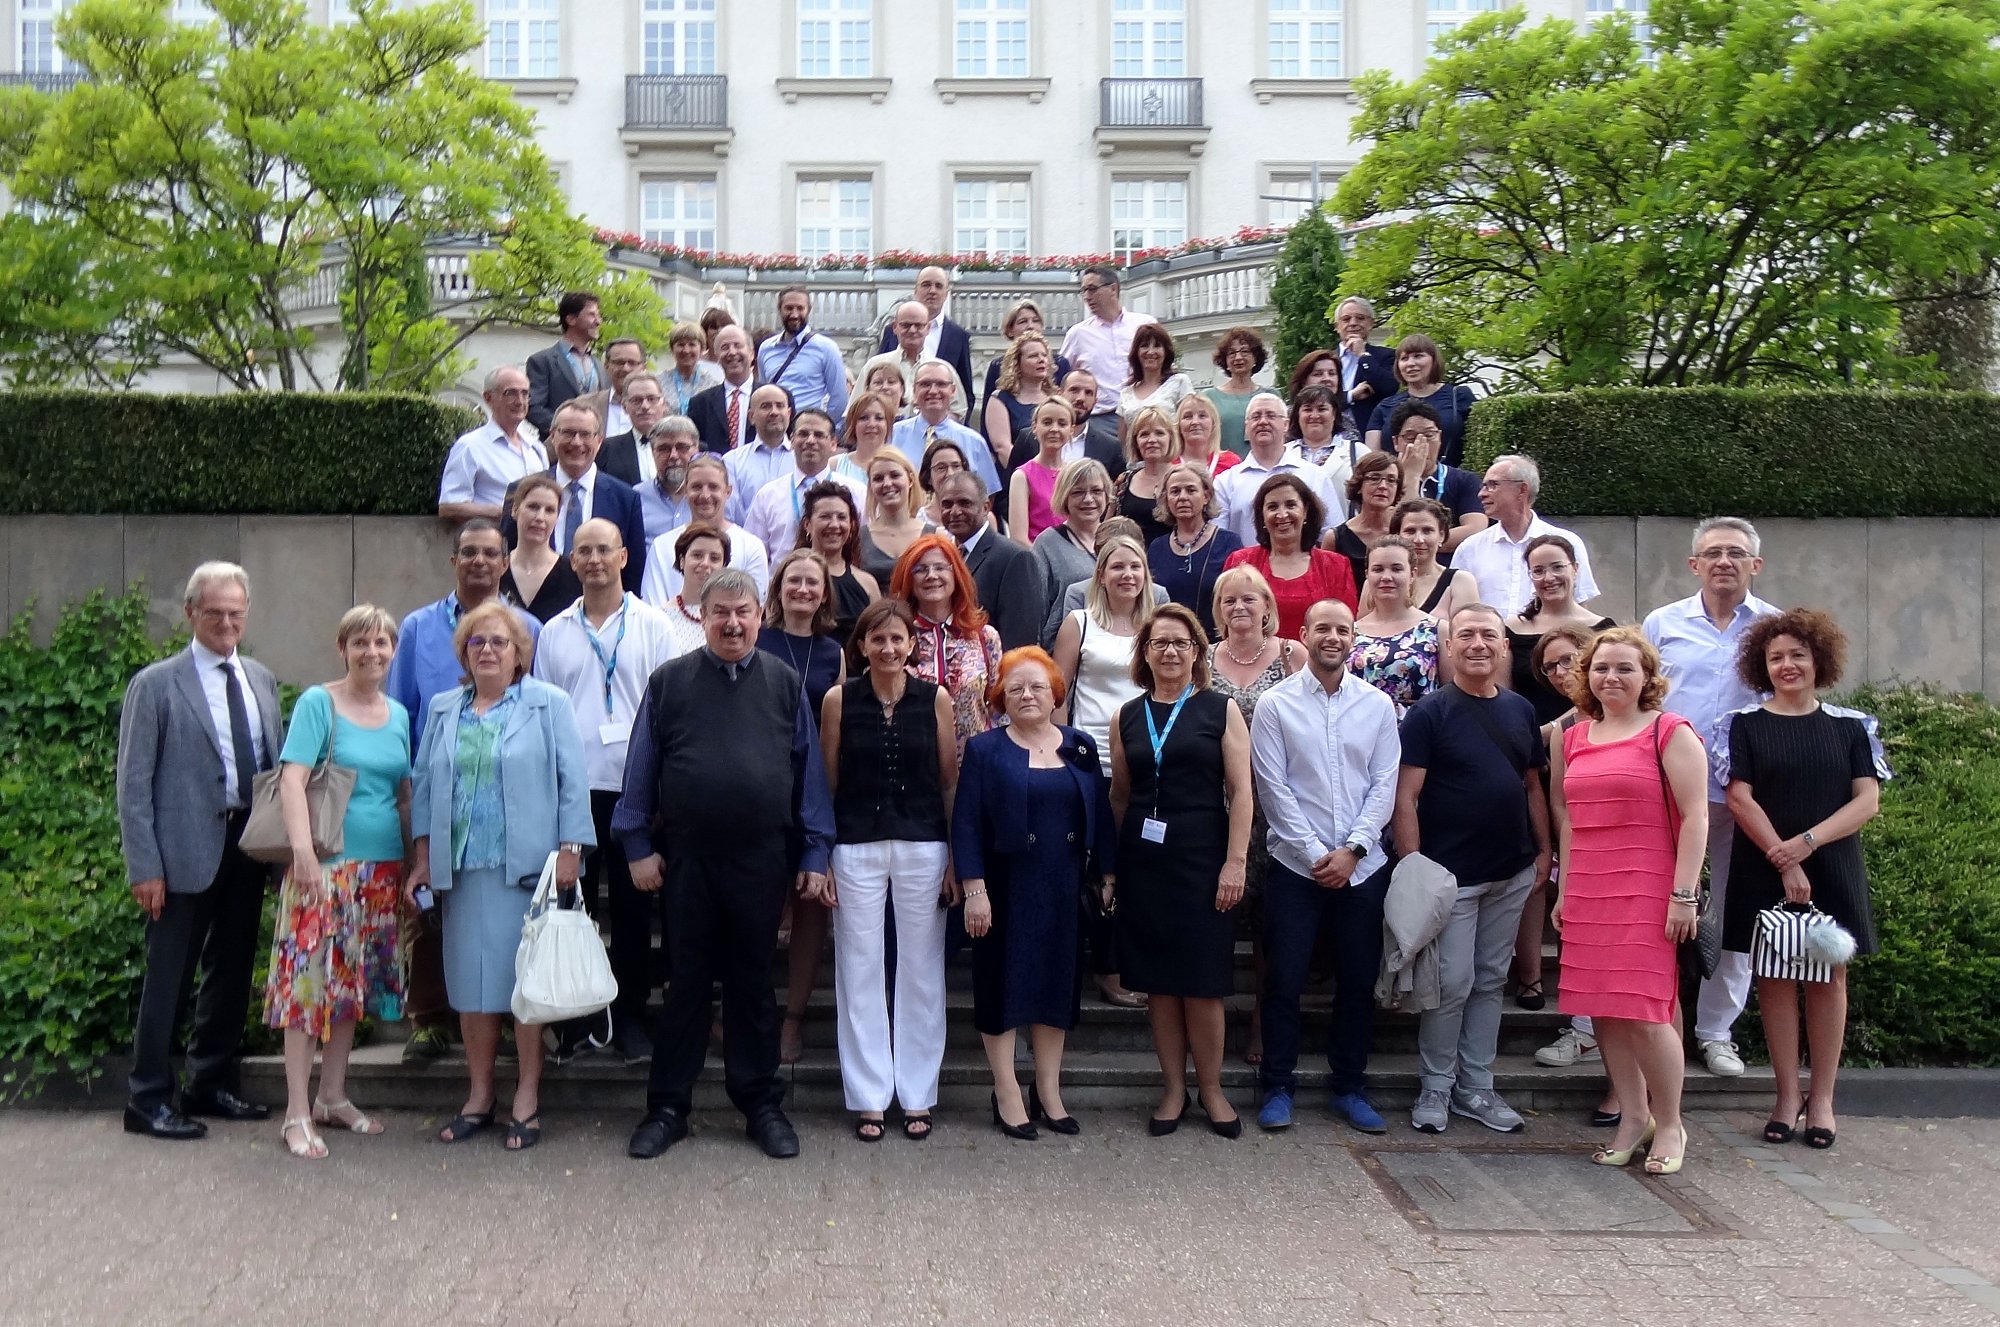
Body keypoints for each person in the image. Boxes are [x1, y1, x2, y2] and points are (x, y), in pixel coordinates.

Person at [615, 568, 836, 1162]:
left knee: (752, 986)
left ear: (758, 618)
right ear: (703, 617)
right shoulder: (669, 683)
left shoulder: (785, 683)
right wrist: (636, 844)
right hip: (688, 861)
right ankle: (667, 1107)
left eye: (744, 613)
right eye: (721, 614)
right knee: (685, 983)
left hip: (761, 861)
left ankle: (760, 1102)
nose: (734, 623)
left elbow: (808, 775)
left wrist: (815, 851)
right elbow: (641, 769)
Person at [407, 600, 594, 1152]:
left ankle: (527, 1097)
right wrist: (422, 855)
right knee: (471, 990)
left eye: (499, 642)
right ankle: (479, 1095)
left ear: (520, 654)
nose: (487, 650)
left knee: (525, 990)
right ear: (464, 654)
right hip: (461, 871)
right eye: (477, 643)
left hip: (528, 870)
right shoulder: (444, 708)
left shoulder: (547, 704)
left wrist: (570, 849)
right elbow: (422, 786)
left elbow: (571, 779)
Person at [117, 562, 284, 1140]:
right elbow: (133, 783)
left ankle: (209, 1083)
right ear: (190, 613)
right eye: (214, 612)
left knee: (231, 972)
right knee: (169, 977)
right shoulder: (157, 684)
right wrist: (145, 866)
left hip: (246, 848)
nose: (226, 623)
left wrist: (280, 855)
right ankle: (147, 1098)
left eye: (235, 613)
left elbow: (273, 771)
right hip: (181, 854)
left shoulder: (261, 679)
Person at [1548, 627, 1708, 1176]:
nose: (1610, 678)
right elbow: (1568, 820)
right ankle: (1632, 1117)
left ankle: (1670, 1123)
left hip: (1648, 886)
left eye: (1624, 669)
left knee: (1645, 1011)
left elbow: (1696, 817)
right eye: (1600, 668)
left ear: (1647, 677)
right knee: (1605, 1013)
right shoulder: (1571, 737)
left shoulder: (1670, 730)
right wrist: (1566, 888)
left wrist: (1684, 894)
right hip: (1591, 886)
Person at [1721, 610, 1883, 1151]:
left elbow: (1867, 801)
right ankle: (1786, 1097)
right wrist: (1784, 859)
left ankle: (1823, 1100)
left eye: (1797, 655)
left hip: (1832, 865)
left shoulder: (1850, 726)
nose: (1787, 665)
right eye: (1776, 657)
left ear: (1819, 660)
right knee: (1773, 978)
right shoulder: (1744, 724)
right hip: (1765, 863)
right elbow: (1739, 797)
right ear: (1761, 666)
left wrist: (1807, 845)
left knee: (1828, 978)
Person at [1393, 604, 1552, 1135]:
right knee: (1451, 983)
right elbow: (1406, 796)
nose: (1478, 643)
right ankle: (1436, 1089)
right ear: (1450, 646)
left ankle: (1476, 1088)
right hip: (1450, 877)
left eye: (1489, 634)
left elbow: (1533, 787)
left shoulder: (1521, 711)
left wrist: (1543, 851)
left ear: (1505, 646)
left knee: (1489, 981)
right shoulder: (1429, 713)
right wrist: (1414, 866)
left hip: (1511, 871)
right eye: (1467, 635)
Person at [259, 605, 411, 1158]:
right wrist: (301, 851)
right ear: (342, 648)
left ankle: (332, 1096)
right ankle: (296, 1113)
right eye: (361, 642)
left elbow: (403, 795)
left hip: (380, 872)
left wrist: (415, 859)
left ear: (393, 650)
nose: (372, 652)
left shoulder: (397, 714)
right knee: (306, 988)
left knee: (351, 989)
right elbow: (293, 779)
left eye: (382, 643)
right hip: (324, 868)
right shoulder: (318, 704)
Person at [386, 521, 541, 1064]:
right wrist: (409, 791)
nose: (479, 561)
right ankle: (428, 1019)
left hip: (504, 795)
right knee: (429, 908)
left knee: (501, 920)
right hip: (435, 784)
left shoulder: (528, 627)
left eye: (490, 554)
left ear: (505, 564)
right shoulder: (416, 627)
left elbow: (532, 705)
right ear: (453, 560)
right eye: (468, 552)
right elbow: (400, 708)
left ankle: (494, 1018)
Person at [528, 520, 679, 1066]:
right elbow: (544, 717)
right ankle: (577, 1018)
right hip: (575, 790)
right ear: (572, 562)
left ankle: (632, 1015)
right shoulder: (554, 631)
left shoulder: (655, 626)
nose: (594, 560)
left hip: (636, 789)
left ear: (623, 556)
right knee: (575, 908)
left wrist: (662, 788)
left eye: (603, 550)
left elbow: (665, 713)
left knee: (637, 912)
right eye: (583, 551)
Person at [953, 647, 1118, 1139]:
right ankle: (1006, 1090)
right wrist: (974, 888)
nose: (1027, 695)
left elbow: (1103, 816)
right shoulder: (985, 749)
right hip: (1003, 888)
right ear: (1001, 697)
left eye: (1037, 687)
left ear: (1056, 694)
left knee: (1055, 987)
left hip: (1063, 885)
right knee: (1001, 987)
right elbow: (965, 822)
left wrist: (1108, 876)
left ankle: (1048, 1091)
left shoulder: (1081, 745)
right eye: (1015, 688)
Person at [1250, 599, 1400, 1134]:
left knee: (1358, 981)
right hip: (1296, 867)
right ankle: (1278, 1085)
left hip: (1362, 867)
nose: (1332, 637)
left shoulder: (1378, 706)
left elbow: (1385, 785)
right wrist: (1318, 855)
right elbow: (1274, 789)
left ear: (1352, 637)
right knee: (1284, 980)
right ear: (1304, 634)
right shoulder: (1275, 705)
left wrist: (1353, 851)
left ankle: (1349, 1086)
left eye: (1342, 629)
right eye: (1323, 628)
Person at [816, 599, 960, 1142]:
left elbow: (948, 781)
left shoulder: (935, 699)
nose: (889, 648)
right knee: (859, 969)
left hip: (924, 844)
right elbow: (827, 783)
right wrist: (824, 853)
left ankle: (919, 1093)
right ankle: (870, 1095)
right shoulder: (838, 700)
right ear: (863, 646)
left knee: (922, 969)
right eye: (878, 639)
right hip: (855, 844)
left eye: (898, 639)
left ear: (911, 645)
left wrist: (955, 855)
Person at [1641, 515, 1780, 1079]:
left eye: (1736, 553)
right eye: (1713, 553)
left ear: (1755, 564)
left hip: (1744, 795)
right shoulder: (1663, 623)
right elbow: (1641, 694)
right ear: (1694, 564)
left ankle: (1716, 1031)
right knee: (1646, 907)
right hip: (1666, 791)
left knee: (1734, 914)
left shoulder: (1774, 626)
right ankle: (1629, 1021)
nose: (1724, 561)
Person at [1109, 605, 1253, 1137]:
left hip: (1205, 859)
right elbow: (1120, 796)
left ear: (1197, 653)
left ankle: (1212, 1090)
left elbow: (1241, 791)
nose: (1170, 652)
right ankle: (1173, 1089)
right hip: (1145, 865)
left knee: (1203, 984)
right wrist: (1111, 869)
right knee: (1160, 986)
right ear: (1144, 654)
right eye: (1159, 643)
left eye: (1181, 643)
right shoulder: (1126, 714)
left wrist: (1235, 862)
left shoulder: (1220, 709)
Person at [1051, 534, 1155, 1010]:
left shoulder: (1156, 626)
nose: (1126, 575)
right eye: (1117, 567)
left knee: (1134, 869)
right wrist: (1056, 754)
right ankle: (1105, 970)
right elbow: (1059, 691)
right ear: (1101, 576)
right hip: (1090, 761)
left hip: (1145, 761)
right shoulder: (1081, 622)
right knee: (1100, 870)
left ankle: (1130, 962)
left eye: (1135, 566)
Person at [1208, 566, 1305, 1067]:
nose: (1240, 608)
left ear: (1268, 606)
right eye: (1229, 600)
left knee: (1271, 924)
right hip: (1213, 802)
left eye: (1250, 599)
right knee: (1218, 916)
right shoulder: (1203, 659)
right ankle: (1211, 1022)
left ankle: (1263, 1024)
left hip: (1276, 802)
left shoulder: (1292, 655)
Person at [754, 547, 847, 1065]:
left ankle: (794, 1017)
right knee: (761, 904)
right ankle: (756, 1008)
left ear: (824, 594)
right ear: (779, 588)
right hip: (763, 784)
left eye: (813, 583)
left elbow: (833, 726)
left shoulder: (833, 653)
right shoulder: (757, 639)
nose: (804, 590)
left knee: (810, 906)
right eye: (794, 582)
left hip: (813, 786)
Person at [1513, 624, 1598, 1020]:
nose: (1562, 671)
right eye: (1551, 667)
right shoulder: (1562, 730)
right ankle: (1580, 1029)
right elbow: (1559, 806)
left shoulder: (1646, 717)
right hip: (1574, 838)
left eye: (1569, 659)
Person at [503, 399, 649, 595]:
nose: (576, 442)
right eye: (568, 433)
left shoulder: (625, 498)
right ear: (553, 437)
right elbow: (506, 554)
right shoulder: (523, 490)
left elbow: (633, 572)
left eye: (585, 434)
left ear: (599, 441)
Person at [891, 533, 1005, 753]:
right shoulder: (897, 638)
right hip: (914, 763)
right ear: (908, 579)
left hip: (976, 763)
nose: (931, 576)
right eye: (920, 569)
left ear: (957, 575)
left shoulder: (985, 637)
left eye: (941, 567)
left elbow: (1000, 707)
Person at [1453, 454, 1600, 617]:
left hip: (1548, 640)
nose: (1481, 494)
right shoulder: (1470, 548)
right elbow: (1457, 610)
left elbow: (1580, 606)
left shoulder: (1568, 544)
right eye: (1484, 486)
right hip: (1488, 641)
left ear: (1522, 490)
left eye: (1492, 485)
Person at [1222, 473, 1359, 642]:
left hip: (1316, 665)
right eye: (1272, 507)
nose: (1282, 514)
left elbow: (1345, 626)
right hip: (1253, 663)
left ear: (1306, 510)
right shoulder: (1240, 562)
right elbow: (1226, 621)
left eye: (1290, 505)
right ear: (1262, 515)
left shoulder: (1335, 566)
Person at [1505, 535, 1616, 723]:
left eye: (1557, 567)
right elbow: (1504, 694)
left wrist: (1551, 731)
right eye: (1538, 571)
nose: (1549, 578)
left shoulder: (1604, 629)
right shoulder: (1510, 629)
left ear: (1575, 569)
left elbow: (1605, 693)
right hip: (1527, 738)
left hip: (1590, 735)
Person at [937, 470, 1047, 651]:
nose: (955, 512)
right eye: (947, 505)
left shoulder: (1014, 558)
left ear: (986, 507)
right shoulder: (940, 556)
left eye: (965, 503)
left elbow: (1019, 641)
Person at [1215, 392, 1343, 544]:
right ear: (1246, 427)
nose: (1263, 421)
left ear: (1286, 425)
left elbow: (1332, 536)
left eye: (1271, 415)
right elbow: (1219, 540)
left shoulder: (1314, 476)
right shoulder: (1226, 482)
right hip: (1244, 566)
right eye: (1255, 417)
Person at [642, 454, 770, 603]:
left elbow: (754, 607)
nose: (705, 495)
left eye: (713, 487)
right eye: (696, 487)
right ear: (685, 491)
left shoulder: (751, 546)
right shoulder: (661, 546)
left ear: (728, 491)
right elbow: (653, 608)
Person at [743, 407, 867, 561]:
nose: (810, 441)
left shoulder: (857, 492)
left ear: (833, 443)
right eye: (803, 434)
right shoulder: (768, 495)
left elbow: (863, 547)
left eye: (819, 435)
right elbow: (753, 554)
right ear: (792, 441)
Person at [1349, 537, 1448, 715]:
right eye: (1378, 569)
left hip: (1417, 732)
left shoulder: (1438, 630)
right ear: (1367, 575)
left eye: (1396, 569)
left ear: (1412, 574)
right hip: (1360, 733)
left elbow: (1451, 695)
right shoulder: (1350, 632)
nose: (1386, 577)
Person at [437, 366, 549, 522]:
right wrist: (503, 511)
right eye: (511, 393)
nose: (520, 401)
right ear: (488, 398)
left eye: (525, 394)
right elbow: (449, 506)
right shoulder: (470, 446)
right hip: (492, 541)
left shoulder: (536, 448)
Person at [1149, 462, 1242, 639]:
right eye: (1175, 491)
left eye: (1191, 490)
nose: (1182, 497)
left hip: (1215, 645)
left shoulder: (1229, 543)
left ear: (1206, 496)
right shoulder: (1156, 548)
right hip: (1170, 645)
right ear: (1166, 499)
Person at [875, 266, 978, 416]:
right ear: (915, 290)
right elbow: (878, 374)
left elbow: (965, 392)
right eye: (926, 285)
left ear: (946, 293)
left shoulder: (958, 336)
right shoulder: (891, 331)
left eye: (938, 286)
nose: (932, 291)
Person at [1062, 265, 1159, 423]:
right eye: (1083, 290)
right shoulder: (1077, 334)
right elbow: (1063, 377)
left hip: (1143, 415)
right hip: (1099, 419)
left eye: (1092, 289)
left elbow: (1164, 367)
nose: (1087, 296)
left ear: (1113, 289)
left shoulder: (1144, 324)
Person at [1385, 400, 1486, 552]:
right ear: (1396, 442)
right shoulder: (1384, 482)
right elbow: (1390, 532)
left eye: (1429, 435)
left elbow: (1475, 529)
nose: (1422, 443)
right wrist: (1411, 477)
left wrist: (1424, 544)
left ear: (1440, 437)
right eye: (1411, 438)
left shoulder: (1464, 480)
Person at [1032, 458, 1113, 643]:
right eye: (1078, 492)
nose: (1088, 499)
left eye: (1096, 491)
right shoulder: (1047, 543)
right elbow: (1037, 609)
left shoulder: (1118, 538)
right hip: (1064, 650)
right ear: (1064, 497)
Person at [892, 359, 1003, 495]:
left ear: (952, 391)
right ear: (914, 390)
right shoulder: (894, 434)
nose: (933, 391)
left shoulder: (974, 441)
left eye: (941, 384)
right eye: (925, 384)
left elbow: (987, 495)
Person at [1366, 334, 1478, 467]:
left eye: (1418, 356)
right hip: (1399, 482)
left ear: (1433, 360)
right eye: (1404, 358)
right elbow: (1373, 458)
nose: (1410, 364)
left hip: (1450, 482)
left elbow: (1477, 445)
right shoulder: (1385, 406)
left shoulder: (1459, 396)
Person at [797, 481, 882, 649]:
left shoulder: (867, 584)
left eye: (841, 517)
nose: (834, 525)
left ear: (851, 525)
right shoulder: (791, 579)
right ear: (807, 524)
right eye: (825, 517)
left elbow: (878, 636)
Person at [756, 285, 848, 421]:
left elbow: (839, 398)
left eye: (800, 308)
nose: (794, 314)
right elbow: (763, 393)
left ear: (809, 310)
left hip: (808, 430)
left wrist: (822, 427)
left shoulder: (826, 348)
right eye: (789, 308)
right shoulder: (766, 349)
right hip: (775, 428)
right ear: (779, 310)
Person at [500, 474, 582, 624]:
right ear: (515, 510)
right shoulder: (495, 569)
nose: (540, 517)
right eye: (533, 507)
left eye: (550, 510)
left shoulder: (574, 574)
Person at [525, 290, 602, 438]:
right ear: (571, 319)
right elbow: (533, 407)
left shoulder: (600, 366)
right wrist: (566, 430)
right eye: (592, 315)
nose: (598, 321)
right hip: (559, 450)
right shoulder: (542, 361)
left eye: (598, 316)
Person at [1390, 497, 1482, 621]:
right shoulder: (1379, 580)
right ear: (1397, 535)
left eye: (1427, 531)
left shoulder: (1460, 581)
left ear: (1441, 536)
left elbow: (1467, 633)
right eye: (1410, 531)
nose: (1419, 540)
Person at [874, 305, 970, 421]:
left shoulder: (944, 369)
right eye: (906, 325)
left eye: (919, 325)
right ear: (895, 327)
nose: (912, 330)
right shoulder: (874, 366)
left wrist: (932, 421)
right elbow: (854, 410)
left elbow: (959, 411)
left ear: (928, 328)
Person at [979, 297, 1072, 415]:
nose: (1030, 326)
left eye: (1036, 321)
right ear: (1010, 330)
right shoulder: (998, 366)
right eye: (1023, 321)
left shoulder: (1059, 364)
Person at [1326, 449, 1404, 590]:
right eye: (1374, 478)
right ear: (1359, 485)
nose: (1383, 486)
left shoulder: (1404, 532)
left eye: (1391, 480)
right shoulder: (1335, 538)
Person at [986, 332, 1058, 480]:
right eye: (1033, 356)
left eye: (1044, 355)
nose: (1041, 360)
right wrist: (1030, 477)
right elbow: (1003, 447)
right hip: (1016, 478)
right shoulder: (1000, 399)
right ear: (1017, 364)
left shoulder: (1056, 399)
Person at [723, 384, 798, 524]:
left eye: (780, 406)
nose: (774, 412)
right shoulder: (732, 462)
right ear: (751, 416)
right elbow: (731, 513)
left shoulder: (801, 459)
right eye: (766, 406)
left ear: (788, 414)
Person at [857, 446, 933, 584]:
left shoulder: (935, 535)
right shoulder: (857, 539)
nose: (887, 483)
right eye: (878, 478)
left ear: (910, 480)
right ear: (871, 486)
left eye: (895, 475)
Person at [578, 339, 650, 483]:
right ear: (606, 366)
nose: (625, 368)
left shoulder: (661, 412)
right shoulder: (583, 405)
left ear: (643, 367)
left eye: (632, 362)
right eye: (619, 362)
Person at [1008, 397, 1076, 546]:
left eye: (1062, 423)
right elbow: (1018, 538)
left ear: (1071, 429)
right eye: (1047, 422)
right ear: (1034, 427)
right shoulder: (1021, 476)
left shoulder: (1074, 474)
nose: (1054, 429)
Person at [656, 522, 730, 657]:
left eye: (714, 558)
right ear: (682, 560)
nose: (705, 563)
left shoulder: (731, 616)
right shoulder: (660, 617)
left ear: (723, 566)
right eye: (697, 555)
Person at [1332, 295, 1400, 442]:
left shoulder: (1385, 356)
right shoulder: (1324, 360)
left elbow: (1389, 387)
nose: (1353, 323)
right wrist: (1351, 396)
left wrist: (1363, 355)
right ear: (1337, 326)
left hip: (1369, 437)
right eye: (1346, 319)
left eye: (1360, 318)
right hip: (1329, 435)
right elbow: (1317, 398)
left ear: (1371, 324)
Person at [1114, 404, 1179, 548]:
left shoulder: (1183, 479)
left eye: (1159, 433)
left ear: (1171, 438)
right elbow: (1109, 529)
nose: (1152, 440)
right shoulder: (1124, 481)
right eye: (1144, 434)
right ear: (1136, 442)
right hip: (1129, 565)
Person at [686, 325, 757, 454]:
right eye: (725, 347)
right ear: (718, 358)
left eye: (738, 345)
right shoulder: (700, 403)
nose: (732, 352)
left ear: (752, 354)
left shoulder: (774, 398)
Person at [593, 364, 666, 487]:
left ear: (663, 404)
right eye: (637, 400)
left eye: (651, 399)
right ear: (625, 406)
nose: (645, 406)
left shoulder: (686, 448)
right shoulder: (606, 449)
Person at [1117, 323, 1193, 435]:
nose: (1151, 351)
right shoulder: (1126, 393)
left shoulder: (1180, 382)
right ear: (1136, 352)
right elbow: (1123, 439)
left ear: (1166, 352)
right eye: (1144, 346)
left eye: (1157, 346)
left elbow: (1189, 424)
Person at [1201, 326, 1265, 456]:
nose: (1238, 357)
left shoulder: (1269, 396)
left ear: (1255, 358)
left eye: (1245, 351)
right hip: (1222, 468)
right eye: (1232, 353)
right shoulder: (1208, 398)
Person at [636, 415, 701, 544]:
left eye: (682, 447)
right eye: (664, 449)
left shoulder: (714, 498)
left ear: (697, 449)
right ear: (652, 452)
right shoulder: (635, 498)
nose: (673, 456)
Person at [1289, 383, 1359, 480]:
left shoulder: (1358, 452)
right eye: (1307, 409)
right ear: (1298, 415)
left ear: (1334, 413)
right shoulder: (1282, 453)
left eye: (1322, 409)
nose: (1314, 416)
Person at [832, 390, 894, 486]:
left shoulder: (899, 466)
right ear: (853, 425)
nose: (871, 424)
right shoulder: (834, 466)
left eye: (879, 418)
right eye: (864, 418)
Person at [1175, 392, 1242, 480]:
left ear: (1213, 423)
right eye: (1188, 416)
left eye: (1202, 416)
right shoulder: (1169, 464)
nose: (1195, 422)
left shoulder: (1231, 463)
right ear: (1179, 426)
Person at [663, 322, 723, 415]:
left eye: (692, 344)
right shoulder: (659, 383)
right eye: (681, 344)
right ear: (672, 349)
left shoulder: (713, 385)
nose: (686, 350)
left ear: (702, 349)